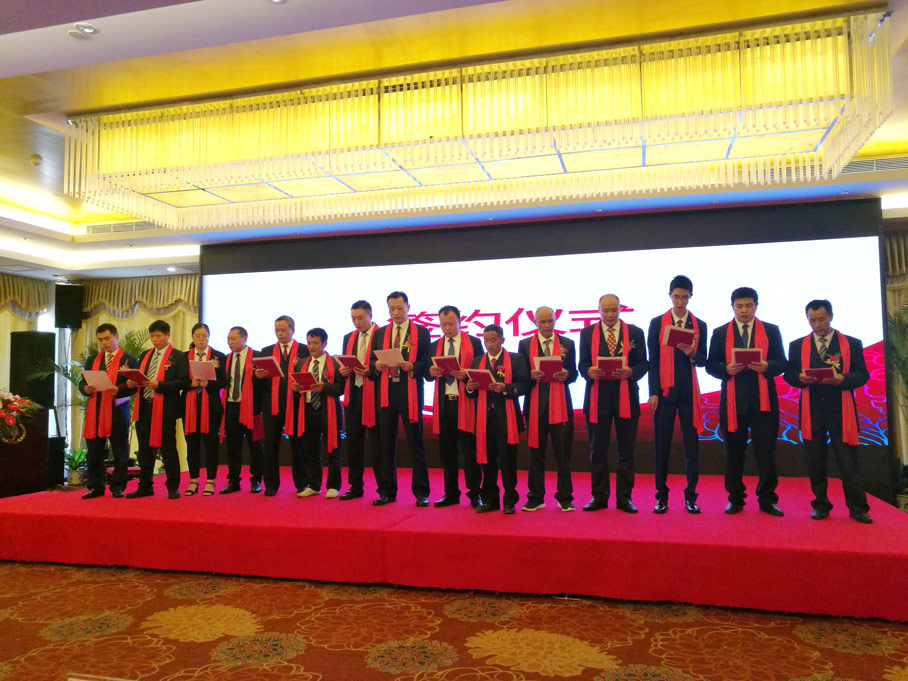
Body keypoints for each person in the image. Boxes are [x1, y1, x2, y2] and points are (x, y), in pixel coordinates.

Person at [783, 300, 873, 523]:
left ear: (831, 316)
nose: (817, 325)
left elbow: (863, 375)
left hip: (841, 410)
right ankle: (821, 505)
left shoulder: (851, 343)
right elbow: (789, 375)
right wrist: (799, 378)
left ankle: (858, 508)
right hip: (812, 411)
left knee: (848, 462)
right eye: (812, 320)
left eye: (821, 319)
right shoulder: (797, 345)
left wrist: (842, 379)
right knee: (815, 461)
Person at [706, 286, 786, 516]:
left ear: (756, 306)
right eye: (739, 306)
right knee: (733, 452)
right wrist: (726, 369)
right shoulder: (721, 332)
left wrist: (767, 366)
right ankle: (735, 498)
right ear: (732, 307)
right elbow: (711, 365)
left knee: (765, 453)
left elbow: (782, 363)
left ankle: (767, 499)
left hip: (764, 402)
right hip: (733, 402)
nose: (744, 310)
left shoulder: (771, 330)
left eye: (748, 306)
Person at [578, 294, 647, 513]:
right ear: (598, 310)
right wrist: (589, 371)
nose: (610, 314)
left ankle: (624, 498)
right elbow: (582, 364)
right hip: (597, 398)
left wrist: (631, 372)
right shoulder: (587, 333)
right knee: (597, 450)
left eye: (614, 310)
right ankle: (599, 496)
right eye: (605, 310)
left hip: (626, 397)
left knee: (626, 450)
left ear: (620, 309)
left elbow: (644, 364)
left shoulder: (635, 333)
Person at [646, 275, 708, 514]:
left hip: (689, 393)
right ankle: (661, 497)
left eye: (685, 297)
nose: (680, 301)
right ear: (669, 296)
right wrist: (653, 392)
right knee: (661, 446)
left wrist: (693, 353)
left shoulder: (699, 324)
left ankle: (691, 497)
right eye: (676, 297)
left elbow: (703, 360)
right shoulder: (657, 323)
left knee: (691, 446)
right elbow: (653, 360)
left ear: (691, 296)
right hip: (663, 392)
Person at [371, 291, 431, 507]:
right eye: (392, 309)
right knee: (386, 442)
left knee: (416, 441)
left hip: (410, 391)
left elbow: (428, 364)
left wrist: (413, 366)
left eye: (399, 308)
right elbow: (371, 364)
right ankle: (387, 491)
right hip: (386, 392)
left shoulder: (421, 332)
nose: (396, 312)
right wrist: (377, 366)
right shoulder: (380, 333)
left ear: (408, 308)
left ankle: (421, 492)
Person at [518, 306, 578, 512]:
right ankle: (535, 497)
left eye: (550, 321)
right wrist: (530, 376)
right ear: (535, 323)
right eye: (542, 322)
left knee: (563, 454)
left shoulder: (567, 343)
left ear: (555, 321)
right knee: (536, 454)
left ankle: (565, 497)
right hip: (536, 407)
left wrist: (567, 375)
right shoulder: (525, 344)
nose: (546, 325)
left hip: (560, 406)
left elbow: (574, 373)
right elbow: (521, 376)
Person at [466, 324, 531, 514]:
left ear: (502, 340)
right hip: (485, 419)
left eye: (493, 340)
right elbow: (471, 394)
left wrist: (506, 388)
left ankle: (510, 500)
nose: (489, 344)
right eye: (486, 340)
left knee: (508, 461)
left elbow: (525, 385)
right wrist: (470, 387)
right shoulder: (477, 361)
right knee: (487, 461)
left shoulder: (516, 359)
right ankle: (490, 499)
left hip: (507, 418)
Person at [426, 305, 483, 508]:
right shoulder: (435, 346)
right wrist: (431, 372)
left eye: (451, 323)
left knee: (470, 451)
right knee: (447, 451)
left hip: (466, 403)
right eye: (443, 325)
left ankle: (475, 493)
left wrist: (466, 375)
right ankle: (451, 493)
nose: (447, 328)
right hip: (445, 404)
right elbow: (427, 374)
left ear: (460, 321)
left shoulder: (474, 343)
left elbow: (482, 371)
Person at [125, 319, 189, 499]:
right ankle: (145, 485)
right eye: (152, 336)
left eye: (158, 336)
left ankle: (173, 486)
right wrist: (132, 382)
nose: (154, 339)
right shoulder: (145, 354)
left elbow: (183, 382)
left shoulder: (178, 356)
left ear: (168, 335)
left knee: (168, 448)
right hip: (145, 406)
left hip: (165, 409)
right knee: (144, 449)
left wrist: (159, 385)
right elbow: (142, 377)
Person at [78, 323, 138, 499]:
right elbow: (83, 382)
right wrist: (84, 389)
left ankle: (118, 486)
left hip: (117, 410)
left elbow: (135, 387)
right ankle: (95, 486)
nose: (104, 343)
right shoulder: (92, 360)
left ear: (116, 337)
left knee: (119, 450)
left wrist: (119, 390)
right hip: (95, 410)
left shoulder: (129, 360)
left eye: (107, 338)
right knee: (94, 451)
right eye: (100, 340)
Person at [255, 315, 309, 496]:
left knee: (298, 446)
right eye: (277, 330)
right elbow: (260, 384)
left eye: (283, 330)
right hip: (273, 405)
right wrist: (258, 376)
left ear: (292, 330)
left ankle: (301, 483)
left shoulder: (304, 350)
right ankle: (271, 484)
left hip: (296, 405)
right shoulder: (266, 351)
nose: (279, 333)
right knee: (270, 446)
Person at [294, 328, 346, 498]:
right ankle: (314, 485)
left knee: (333, 449)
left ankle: (333, 485)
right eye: (309, 343)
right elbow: (298, 386)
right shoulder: (301, 363)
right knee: (310, 449)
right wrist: (296, 388)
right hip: (308, 409)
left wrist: (325, 387)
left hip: (329, 411)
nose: (311, 347)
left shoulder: (335, 363)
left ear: (324, 343)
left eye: (315, 343)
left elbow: (341, 389)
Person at [337, 301, 380, 501]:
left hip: (375, 395)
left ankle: (384, 489)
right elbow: (346, 362)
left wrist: (369, 369)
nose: (356, 322)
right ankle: (355, 486)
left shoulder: (381, 335)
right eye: (353, 318)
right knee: (353, 442)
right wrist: (343, 370)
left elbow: (383, 363)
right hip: (354, 393)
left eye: (360, 318)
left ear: (370, 315)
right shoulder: (349, 337)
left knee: (378, 444)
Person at [182, 323, 227, 496]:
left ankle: (210, 480)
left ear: (209, 336)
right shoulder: (184, 357)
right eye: (197, 336)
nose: (201, 339)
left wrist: (209, 384)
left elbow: (224, 381)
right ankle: (193, 480)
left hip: (211, 407)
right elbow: (178, 380)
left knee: (210, 445)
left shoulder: (218, 356)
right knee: (192, 445)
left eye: (204, 336)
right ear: (192, 337)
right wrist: (190, 383)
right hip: (189, 406)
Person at [219, 325, 264, 494]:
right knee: (233, 446)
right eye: (228, 339)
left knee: (256, 446)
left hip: (253, 408)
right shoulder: (226, 359)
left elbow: (265, 385)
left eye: (233, 339)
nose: (230, 342)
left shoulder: (258, 357)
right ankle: (233, 481)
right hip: (232, 406)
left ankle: (256, 479)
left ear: (244, 338)